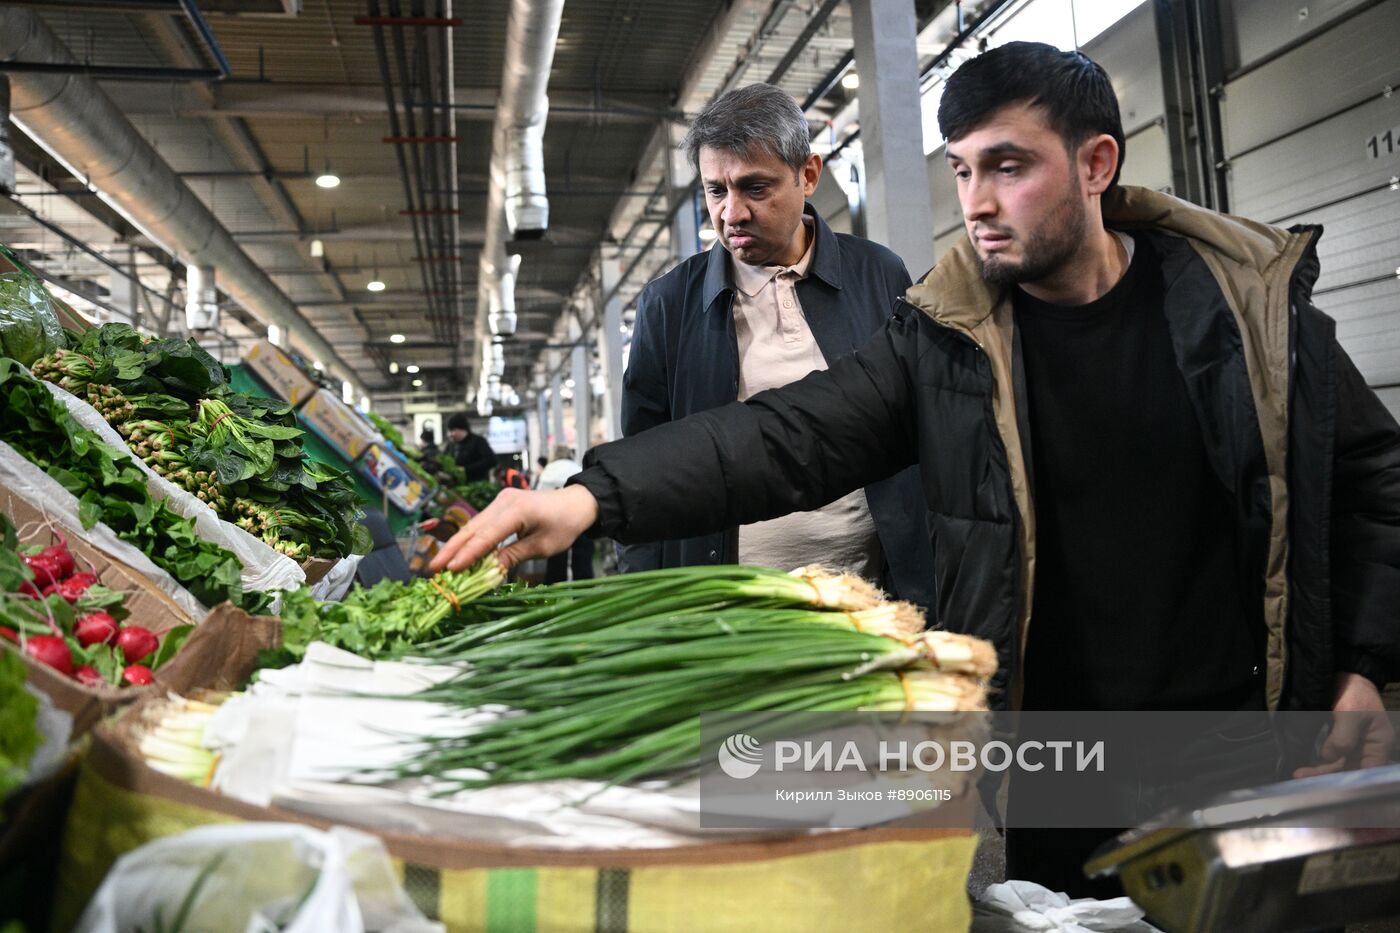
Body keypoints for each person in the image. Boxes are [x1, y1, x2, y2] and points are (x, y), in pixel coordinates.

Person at [433, 42, 1400, 894]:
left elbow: (1375, 488)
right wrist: (593, 495)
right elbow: (785, 435)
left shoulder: (1253, 320)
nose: (976, 202)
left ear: (1096, 163)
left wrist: (1361, 665)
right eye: (962, 169)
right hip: (1054, 759)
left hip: (1243, 738)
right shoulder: (944, 341)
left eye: (1009, 167)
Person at [619, 83, 935, 611]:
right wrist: (643, 600)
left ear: (808, 174)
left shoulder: (877, 273)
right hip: (729, 609)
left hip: (876, 600)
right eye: (716, 191)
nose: (732, 213)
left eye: (755, 188)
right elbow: (642, 472)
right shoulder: (669, 305)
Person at [536, 446, 594, 584]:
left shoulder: (548, 471)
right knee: (582, 559)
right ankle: (583, 592)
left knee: (556, 558)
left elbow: (539, 497)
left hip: (556, 521)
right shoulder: (577, 468)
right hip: (581, 517)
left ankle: (554, 591)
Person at [443, 412, 495, 482]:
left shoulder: (478, 442)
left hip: (477, 485)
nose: (450, 434)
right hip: (455, 487)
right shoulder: (450, 446)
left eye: (453, 430)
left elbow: (491, 460)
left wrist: (466, 469)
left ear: (462, 429)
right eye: (449, 431)